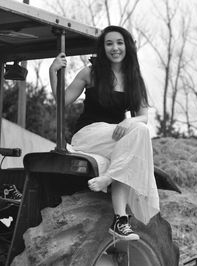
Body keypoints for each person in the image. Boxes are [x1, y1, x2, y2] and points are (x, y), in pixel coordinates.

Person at [49, 25, 160, 241]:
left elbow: (143, 117)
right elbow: (62, 100)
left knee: (134, 142)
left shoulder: (135, 79)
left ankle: (120, 220)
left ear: (127, 46)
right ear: (103, 47)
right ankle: (110, 178)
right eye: (109, 43)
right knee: (137, 138)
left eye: (119, 42)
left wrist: (130, 122)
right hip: (88, 135)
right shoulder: (90, 73)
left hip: (118, 138)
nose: (115, 48)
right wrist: (53, 71)